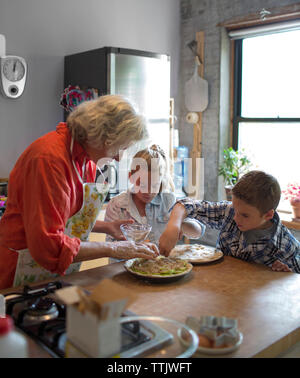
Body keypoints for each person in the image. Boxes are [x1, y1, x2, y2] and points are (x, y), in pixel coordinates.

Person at [0, 95, 159, 289]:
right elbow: (48, 245)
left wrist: (105, 227)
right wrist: (114, 248)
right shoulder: (49, 160)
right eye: (120, 147)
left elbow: (62, 219)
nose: (119, 157)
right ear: (103, 138)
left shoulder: (86, 160)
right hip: (17, 273)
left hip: (49, 273)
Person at [159, 170, 300, 273]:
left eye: (244, 215)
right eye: (235, 209)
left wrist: (286, 274)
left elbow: (293, 286)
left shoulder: (286, 247)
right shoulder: (230, 211)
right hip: (222, 287)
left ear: (268, 215)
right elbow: (187, 205)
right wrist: (173, 226)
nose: (235, 218)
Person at [104, 144, 205, 260]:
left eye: (155, 185)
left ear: (161, 181)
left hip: (162, 270)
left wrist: (177, 224)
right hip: (125, 271)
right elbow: (110, 249)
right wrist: (135, 246)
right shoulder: (117, 205)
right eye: (142, 184)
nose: (148, 191)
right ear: (131, 177)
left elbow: (198, 231)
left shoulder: (169, 200)